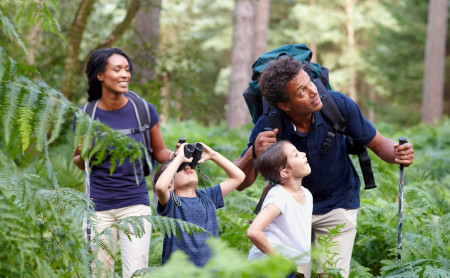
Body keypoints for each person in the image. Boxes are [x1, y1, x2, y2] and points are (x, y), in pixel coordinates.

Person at [234, 56, 414, 278]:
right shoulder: (269, 125)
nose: (312, 91)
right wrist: (253, 152)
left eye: (309, 82)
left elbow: (378, 144)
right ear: (284, 105)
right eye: (301, 91)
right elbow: (241, 183)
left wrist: (397, 152)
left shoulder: (337, 105)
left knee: (332, 275)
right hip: (291, 211)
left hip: (339, 202)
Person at [72, 48, 175, 278]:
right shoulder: (85, 115)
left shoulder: (144, 111)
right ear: (100, 75)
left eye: (127, 69)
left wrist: (179, 155)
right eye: (117, 69)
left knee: (137, 273)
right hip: (97, 209)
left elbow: (159, 152)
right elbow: (79, 161)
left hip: (135, 205)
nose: (124, 75)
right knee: (99, 273)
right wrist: (87, 153)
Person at [154, 142, 245, 267]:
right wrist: (178, 158)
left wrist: (213, 155)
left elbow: (239, 177)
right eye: (180, 167)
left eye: (189, 165)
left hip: (210, 272)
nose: (187, 167)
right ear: (170, 184)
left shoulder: (208, 197)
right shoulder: (172, 203)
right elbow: (160, 187)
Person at [247, 141, 313, 278]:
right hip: (269, 266)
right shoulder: (280, 197)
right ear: (285, 172)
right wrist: (279, 260)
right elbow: (253, 232)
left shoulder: (306, 194)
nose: (304, 154)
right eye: (296, 154)